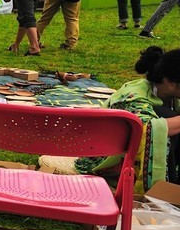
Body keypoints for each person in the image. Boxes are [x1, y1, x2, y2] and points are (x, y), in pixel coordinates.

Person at [67, 47, 180, 189]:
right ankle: (164, 187)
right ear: (169, 82)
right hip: (104, 158)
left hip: (129, 154)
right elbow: (146, 129)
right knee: (167, 120)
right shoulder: (134, 95)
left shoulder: (170, 95)